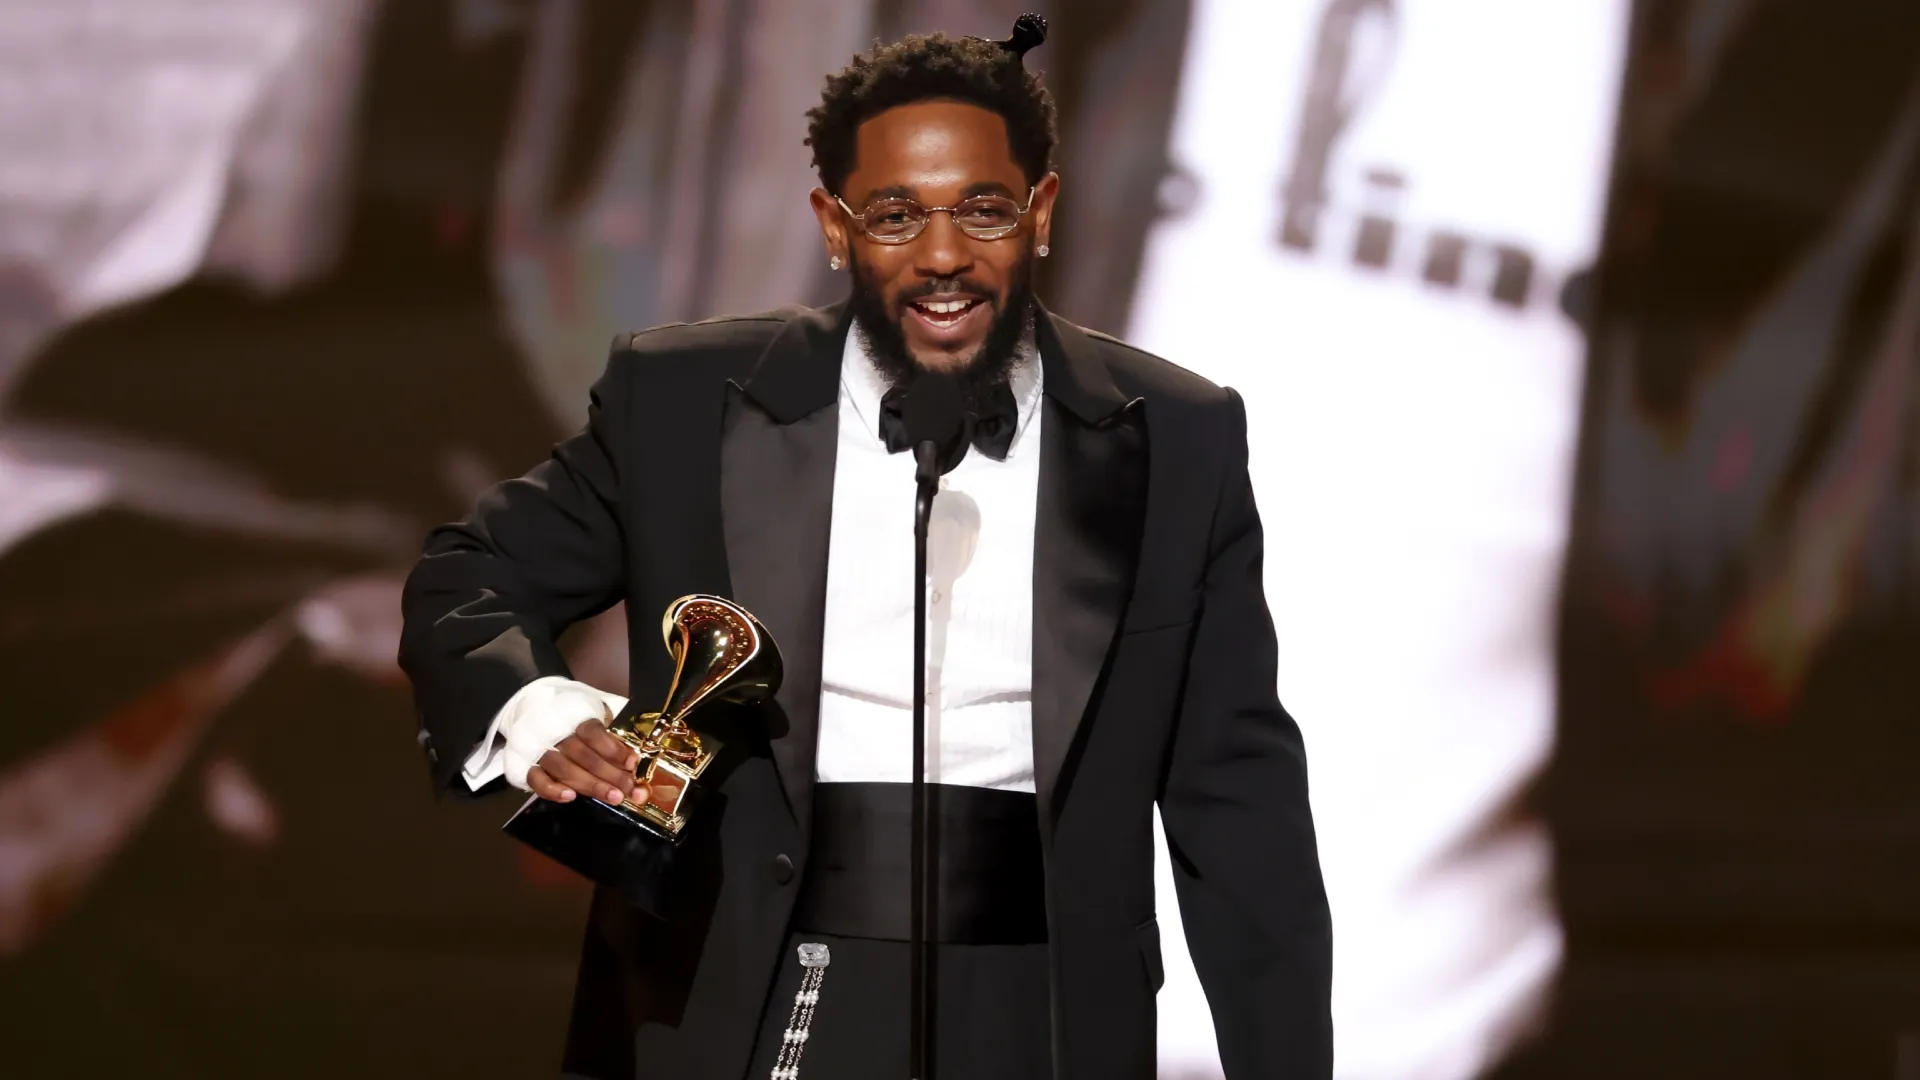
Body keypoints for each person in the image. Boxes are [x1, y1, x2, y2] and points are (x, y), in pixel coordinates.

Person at [400, 22, 1331, 1080]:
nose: (942, 256)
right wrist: (541, 715)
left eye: (982, 209)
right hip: (749, 985)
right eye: (895, 216)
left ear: (1042, 214)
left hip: (1045, 1012)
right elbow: (469, 577)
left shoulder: (1173, 434)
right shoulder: (688, 402)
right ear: (834, 229)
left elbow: (1238, 800)